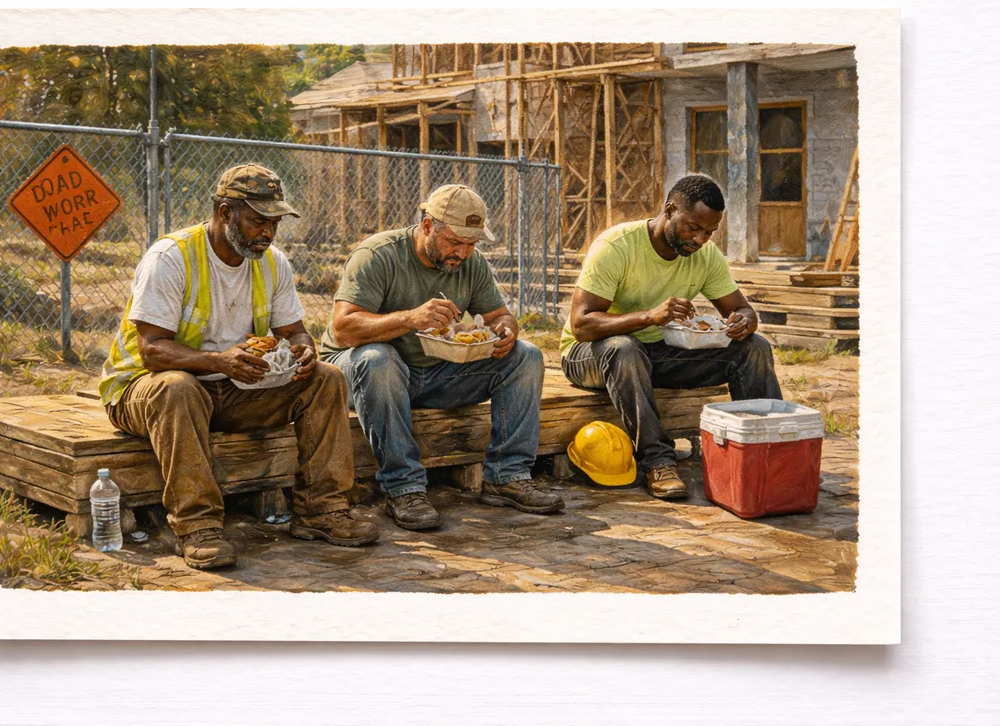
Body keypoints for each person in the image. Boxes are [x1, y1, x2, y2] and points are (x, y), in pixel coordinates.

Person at [98, 163, 378, 570]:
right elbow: (152, 351)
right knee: (178, 386)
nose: (266, 232)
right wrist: (218, 361)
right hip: (144, 390)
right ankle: (198, 526)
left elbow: (296, 330)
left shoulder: (272, 261)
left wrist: (302, 350)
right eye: (257, 221)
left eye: (274, 223)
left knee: (325, 378)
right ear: (225, 212)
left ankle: (322, 510)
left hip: (232, 390)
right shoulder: (171, 257)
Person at [320, 184, 563, 531]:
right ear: (428, 226)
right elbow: (343, 329)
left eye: (472, 244)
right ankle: (404, 488)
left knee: (526, 356)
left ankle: (507, 476)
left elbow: (500, 316)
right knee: (379, 359)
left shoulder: (471, 262)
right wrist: (409, 318)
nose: (463, 252)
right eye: (455, 242)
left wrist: (506, 331)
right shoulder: (378, 254)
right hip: (360, 371)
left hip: (433, 374)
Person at [560, 174, 782, 500]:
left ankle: (772, 453)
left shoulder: (705, 256)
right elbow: (582, 325)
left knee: (754, 347)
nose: (701, 239)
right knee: (624, 348)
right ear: (670, 209)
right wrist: (650, 317)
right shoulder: (616, 246)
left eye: (709, 232)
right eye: (693, 227)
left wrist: (744, 321)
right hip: (588, 355)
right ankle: (658, 462)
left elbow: (743, 310)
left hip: (655, 354)